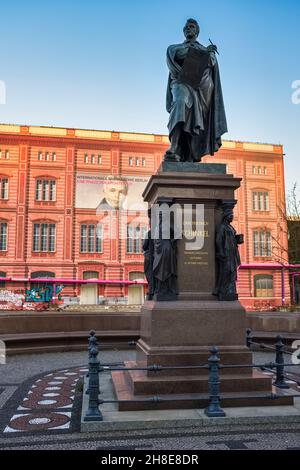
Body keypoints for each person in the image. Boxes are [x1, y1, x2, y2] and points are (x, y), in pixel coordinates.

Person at [165, 18, 227, 162]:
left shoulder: (205, 49)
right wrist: (204, 52)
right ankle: (174, 146)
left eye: (192, 27)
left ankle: (192, 152)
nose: (188, 29)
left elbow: (211, 62)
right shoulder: (174, 48)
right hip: (181, 83)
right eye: (186, 27)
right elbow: (178, 55)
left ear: (197, 31)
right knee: (180, 101)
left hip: (201, 89)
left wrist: (209, 53)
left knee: (197, 121)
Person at [214, 202, 244, 301]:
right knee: (226, 271)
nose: (232, 217)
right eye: (231, 216)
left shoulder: (230, 227)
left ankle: (230, 290)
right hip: (226, 253)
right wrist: (221, 252)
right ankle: (223, 290)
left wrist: (237, 239)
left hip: (232, 252)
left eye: (233, 215)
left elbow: (231, 239)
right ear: (226, 216)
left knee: (232, 272)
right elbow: (218, 240)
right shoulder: (222, 227)